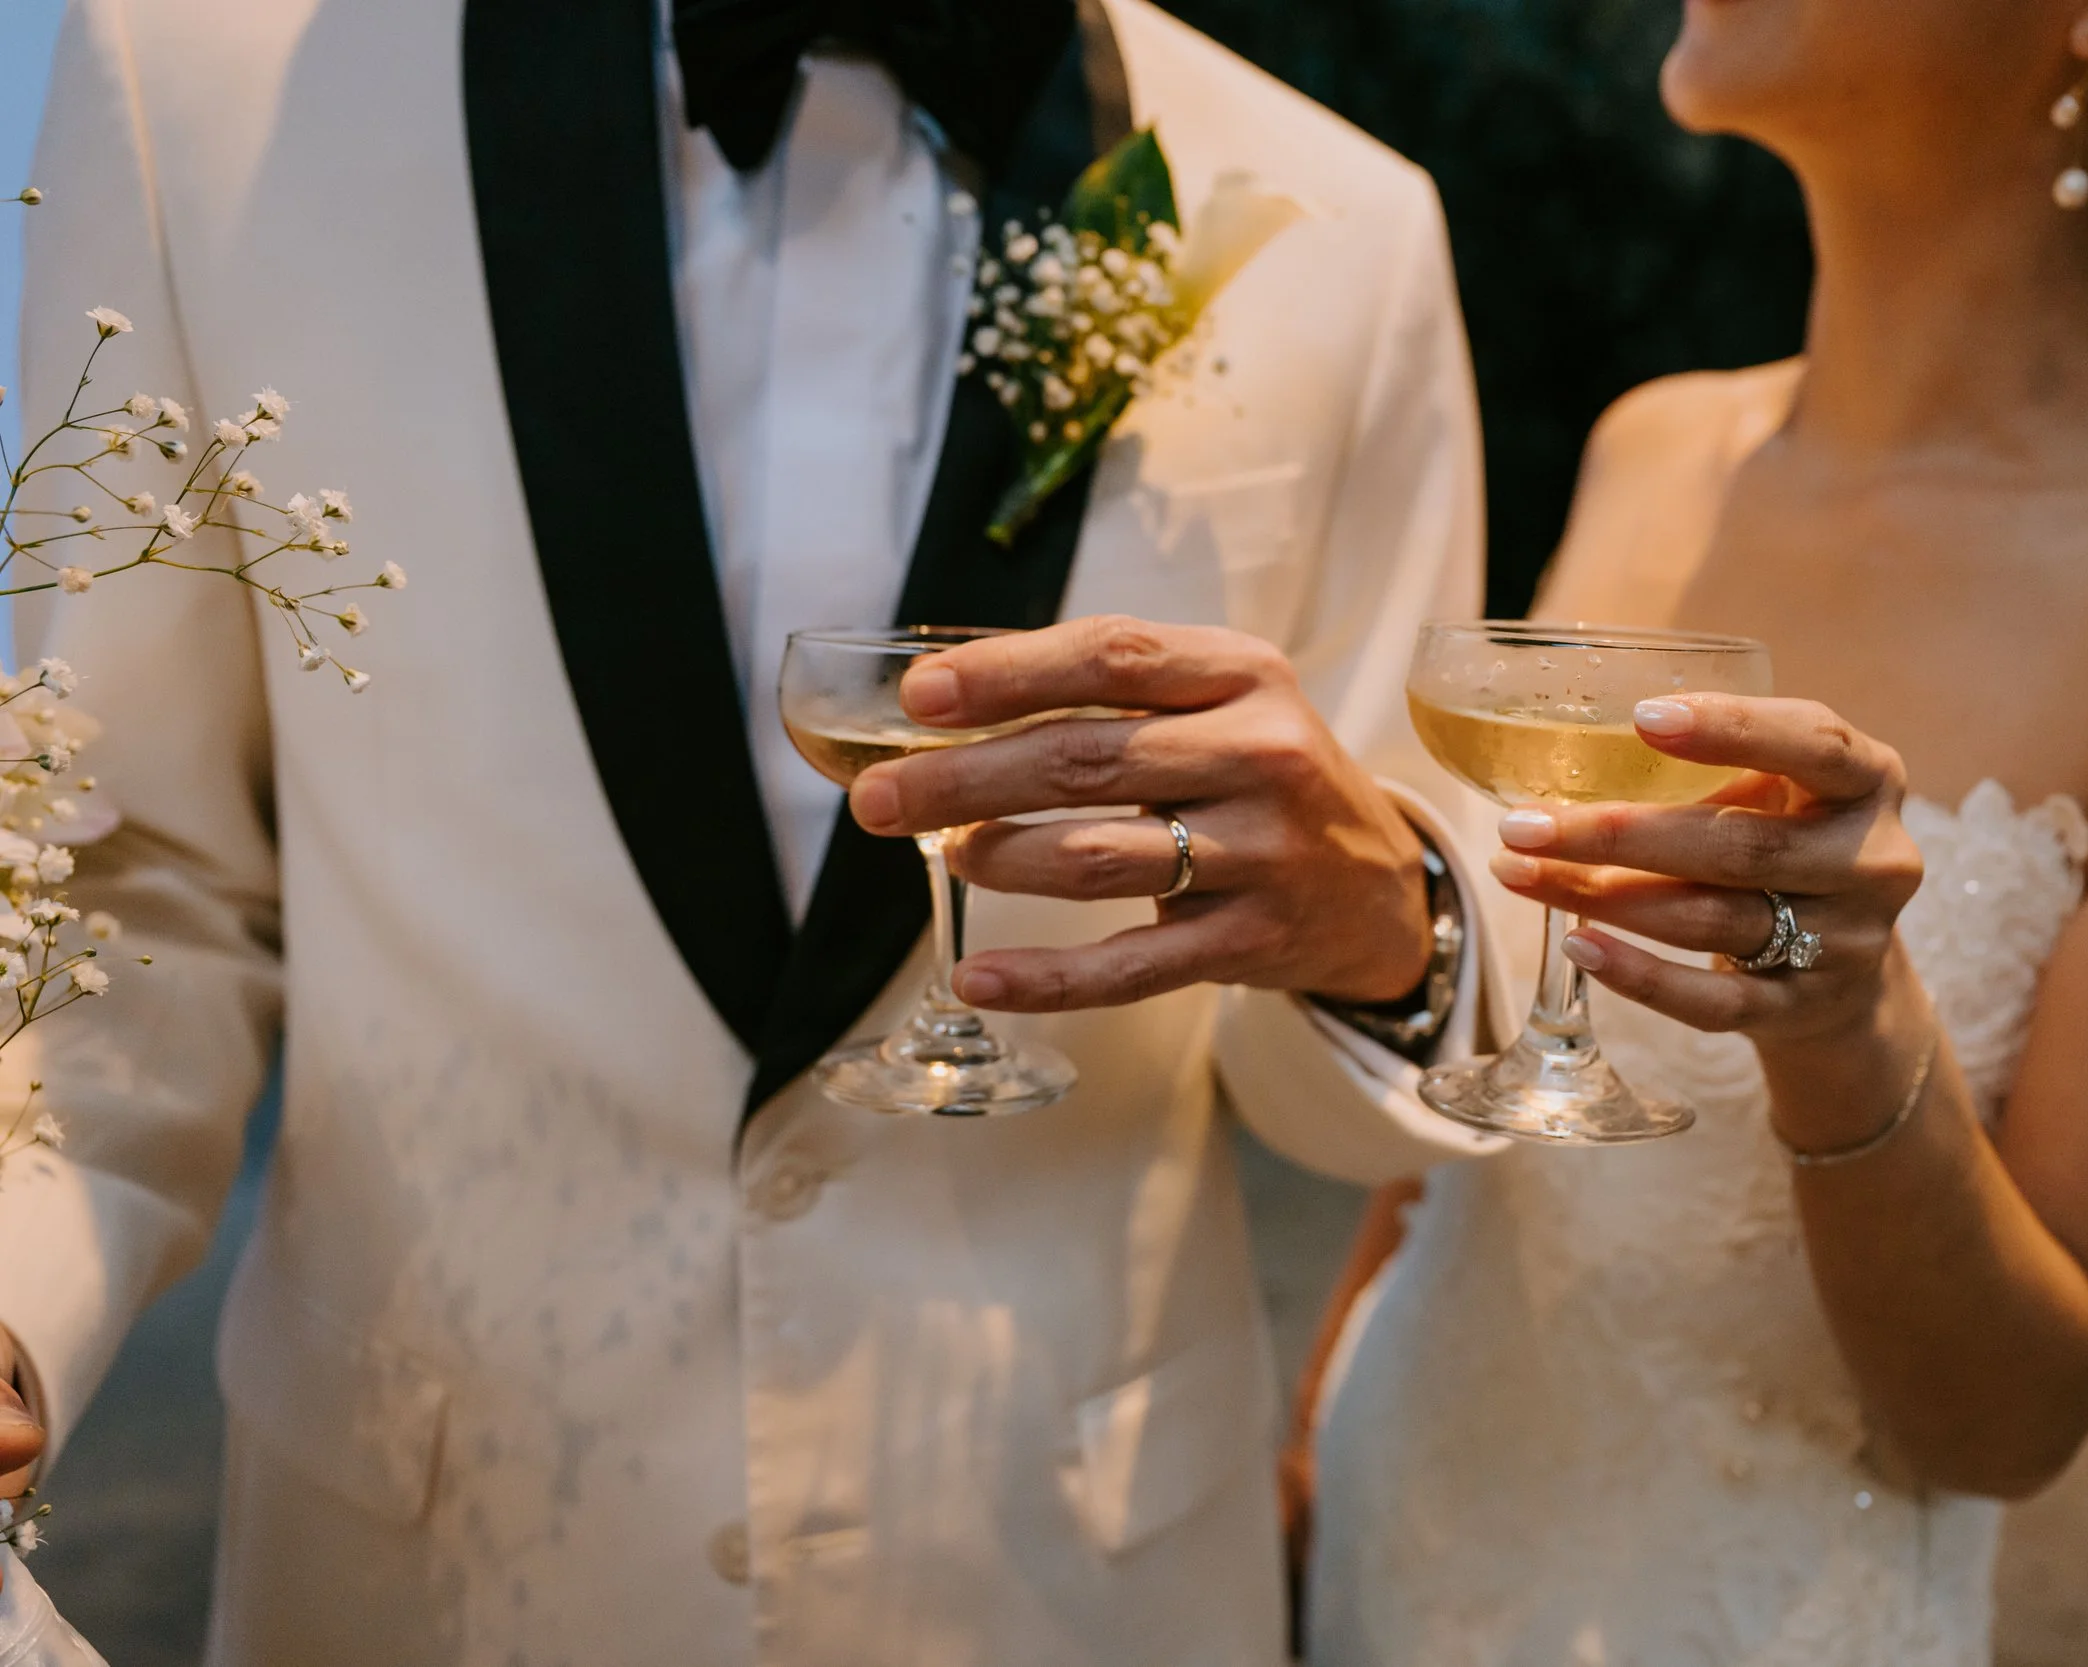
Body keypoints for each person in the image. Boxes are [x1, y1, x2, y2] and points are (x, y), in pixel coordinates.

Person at [0, 0, 1501, 1659]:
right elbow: (125, 883)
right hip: (419, 1569)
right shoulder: (187, 84)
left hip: (1076, 1578)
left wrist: (1399, 935)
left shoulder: (1338, 216)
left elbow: (1326, 1074)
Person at [1304, 0, 2088, 1662]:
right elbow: (1518, 1023)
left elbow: (2007, 1421)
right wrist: (1319, 1403)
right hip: (1390, 1552)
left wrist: (1849, 1021)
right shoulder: (1651, 448)